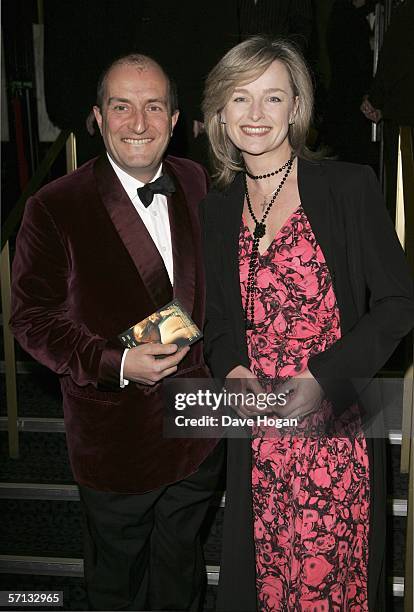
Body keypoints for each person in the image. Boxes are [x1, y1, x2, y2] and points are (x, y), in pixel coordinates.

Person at [200, 36, 414, 611]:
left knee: (329, 587)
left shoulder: (348, 187)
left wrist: (326, 376)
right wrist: (233, 367)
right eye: (239, 98)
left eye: (273, 98)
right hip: (260, 435)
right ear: (219, 110)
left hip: (334, 432)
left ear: (297, 107)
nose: (255, 115)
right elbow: (217, 315)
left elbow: (398, 303)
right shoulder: (217, 207)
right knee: (263, 583)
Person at [10, 53, 223, 611]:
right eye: (121, 107)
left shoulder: (196, 180)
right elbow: (30, 319)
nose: (138, 123)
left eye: (154, 107)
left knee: (182, 573)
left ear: (175, 120)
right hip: (116, 440)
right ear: (97, 119)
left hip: (197, 431)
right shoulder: (54, 206)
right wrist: (116, 363)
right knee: (117, 584)